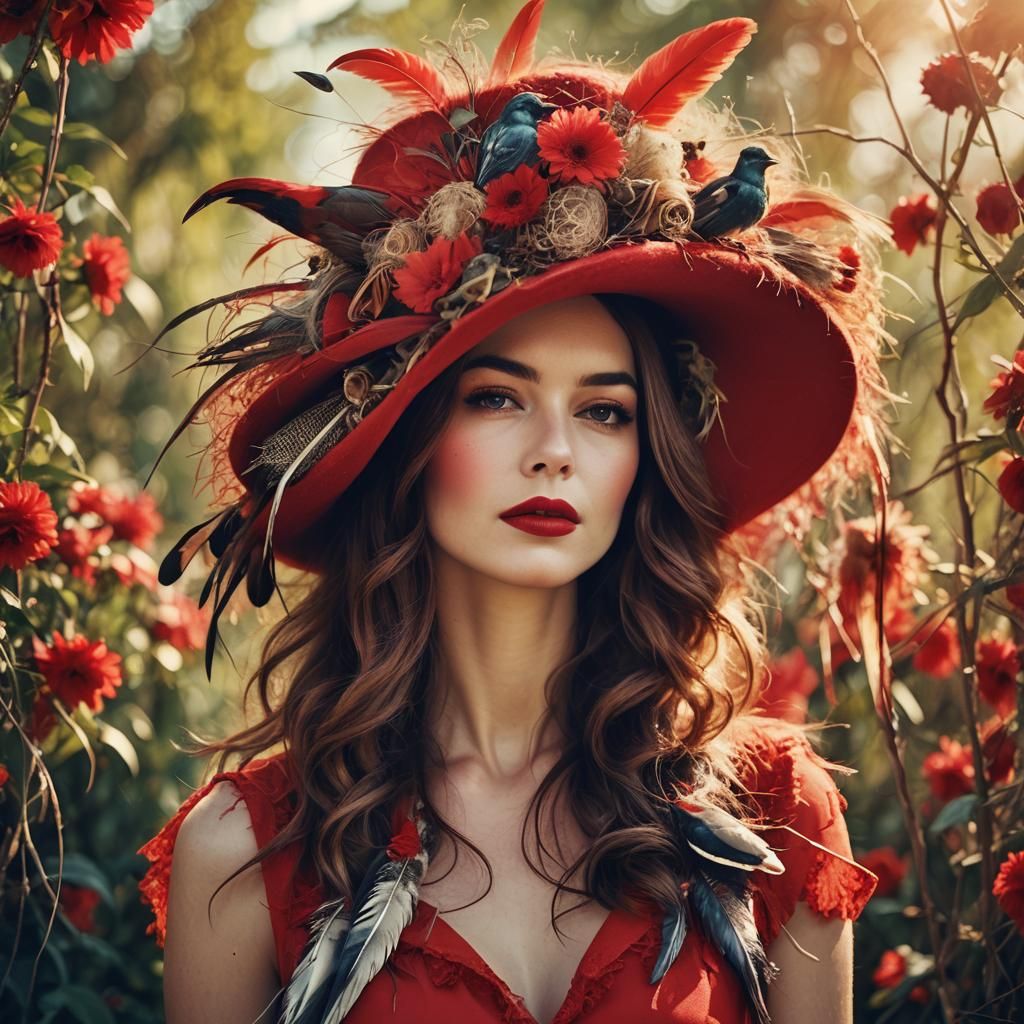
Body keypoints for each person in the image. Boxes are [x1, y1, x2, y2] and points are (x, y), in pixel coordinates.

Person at [135, 3, 889, 1022]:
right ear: (405, 442)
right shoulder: (246, 849)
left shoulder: (777, 814)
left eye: (604, 410)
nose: (554, 449)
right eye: (494, 396)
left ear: (645, 458)